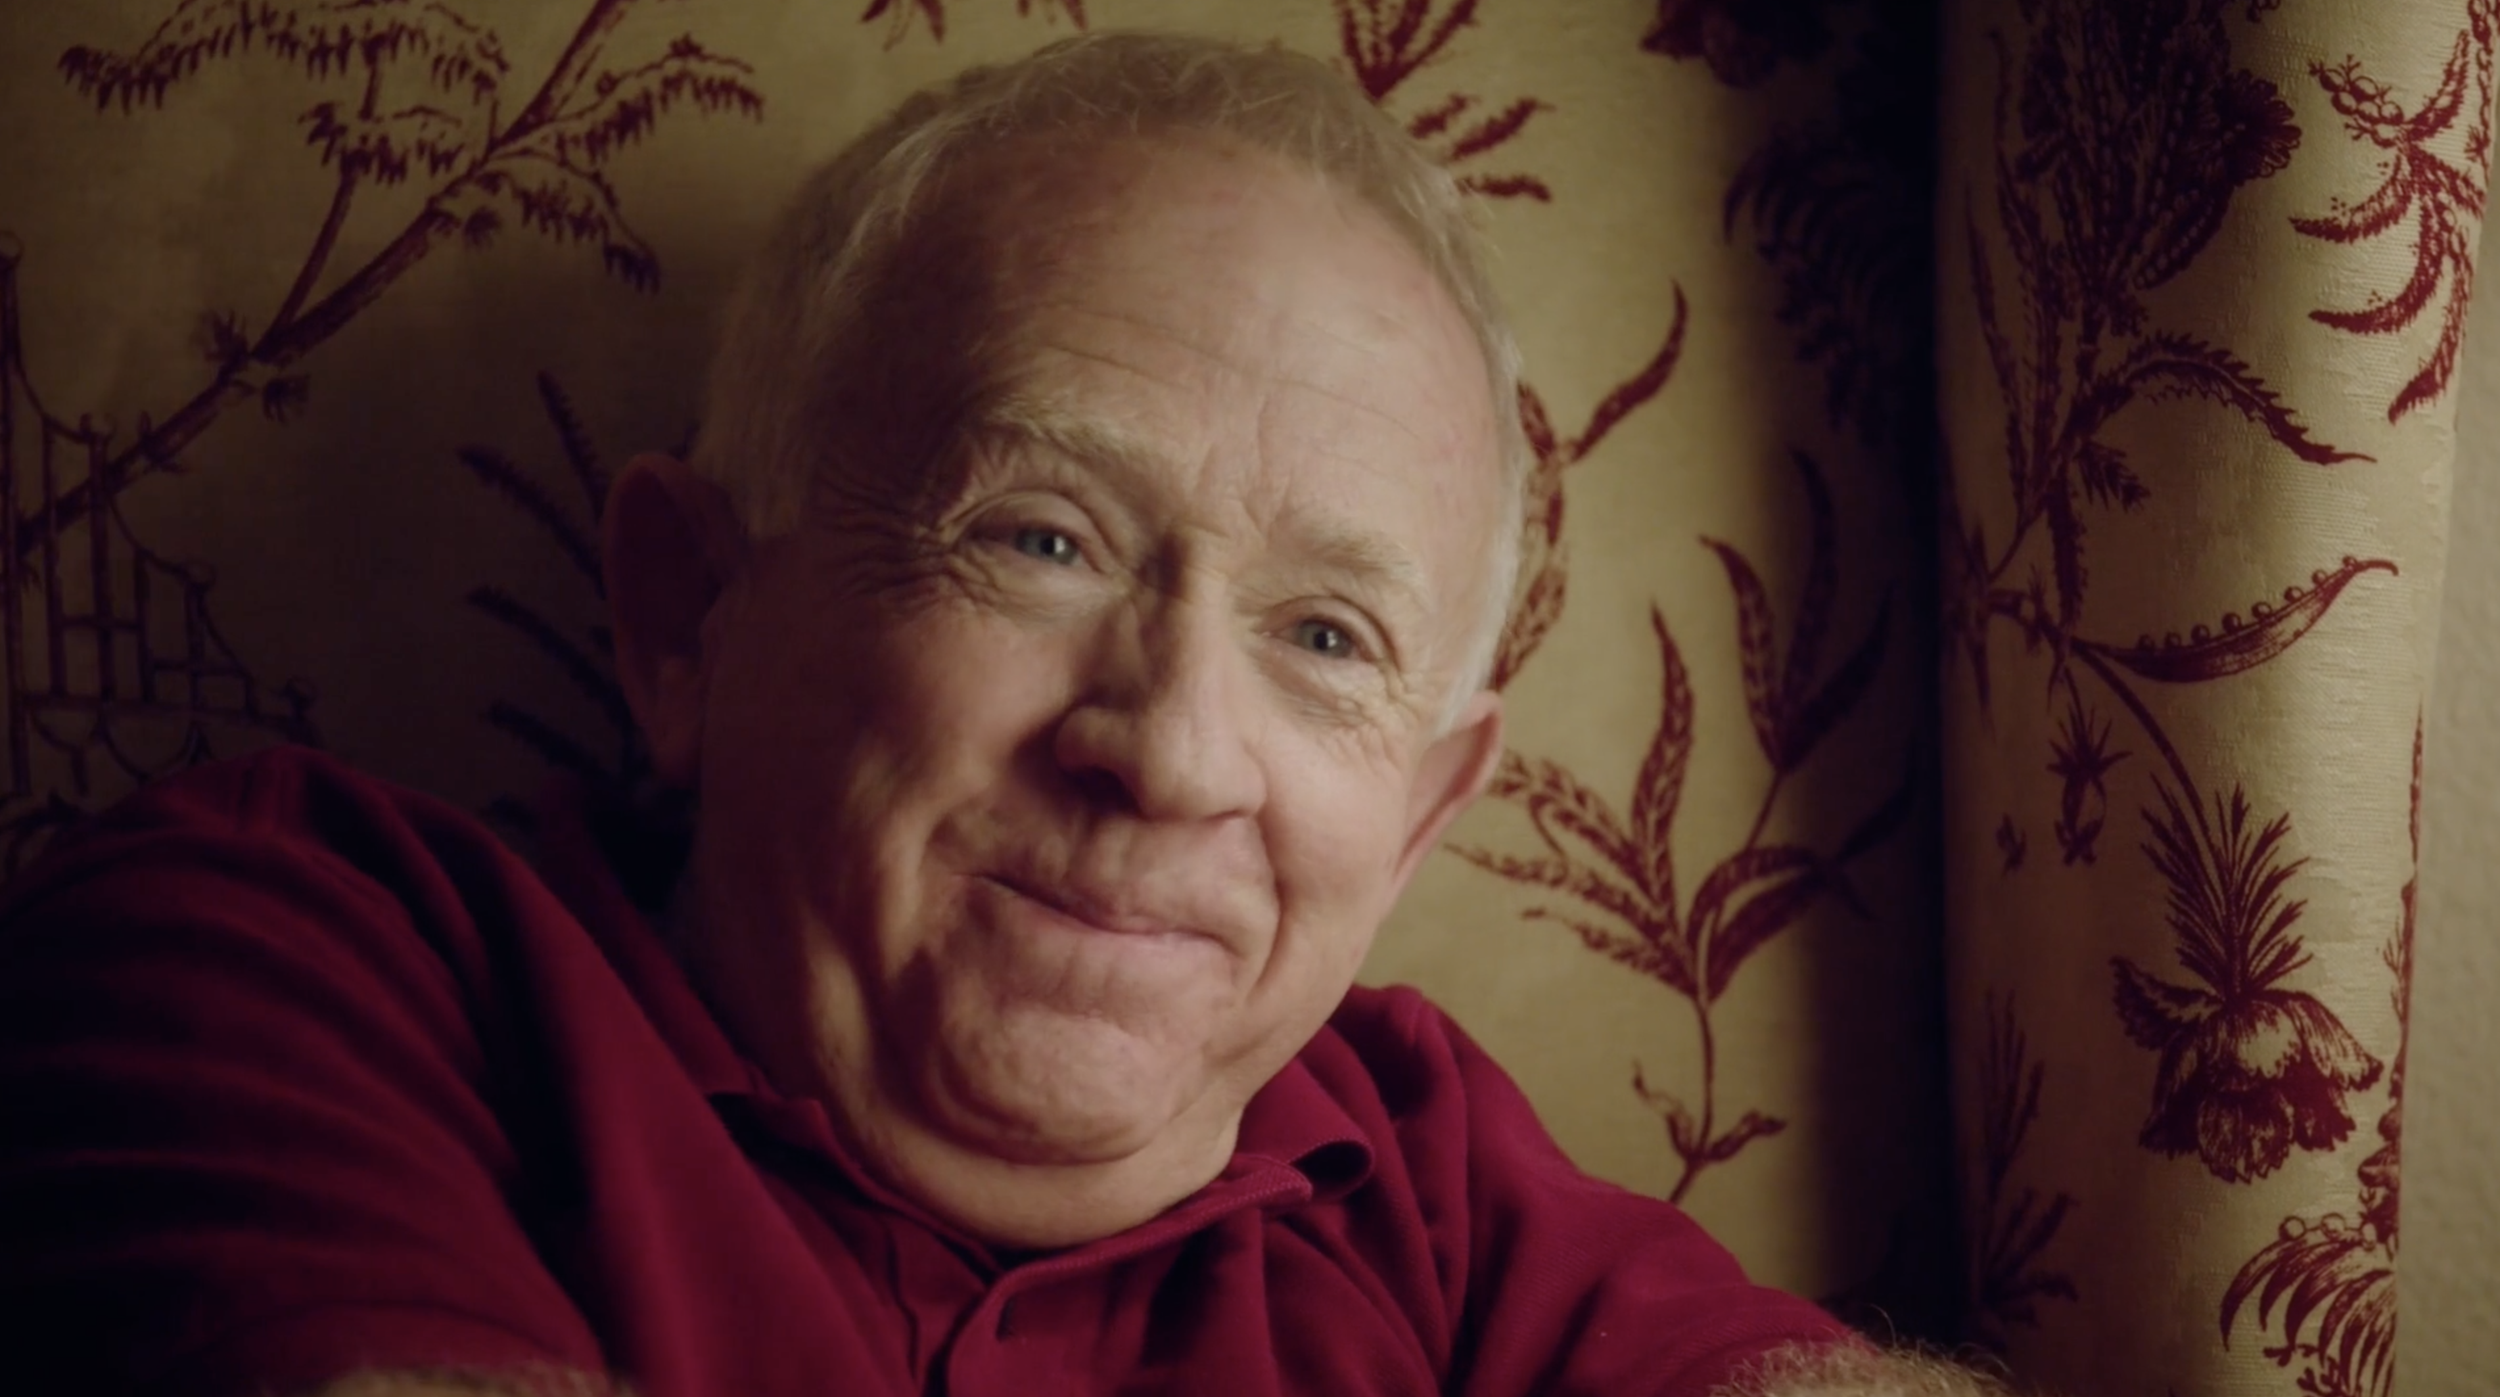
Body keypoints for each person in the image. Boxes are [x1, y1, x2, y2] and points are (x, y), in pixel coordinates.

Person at [0, 31, 2010, 1397]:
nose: (1171, 752)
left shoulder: (1425, 1164)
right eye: (1041, 537)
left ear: (1414, 817)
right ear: (685, 613)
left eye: (1326, 639)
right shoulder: (290, 950)